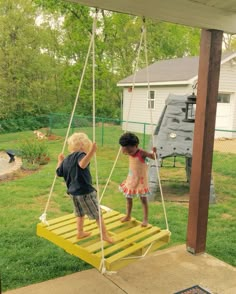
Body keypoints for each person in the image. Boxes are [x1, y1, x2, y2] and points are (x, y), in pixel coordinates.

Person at [56, 132, 113, 243]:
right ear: (82, 145)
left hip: (73, 193)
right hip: (85, 192)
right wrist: (92, 152)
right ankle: (104, 235)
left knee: (80, 213)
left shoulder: (66, 159)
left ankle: (80, 232)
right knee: (97, 213)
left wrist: (60, 161)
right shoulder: (80, 154)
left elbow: (58, 172)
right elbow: (82, 164)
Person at [119, 132, 157, 227]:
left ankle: (145, 219)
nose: (128, 152)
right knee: (128, 198)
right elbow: (124, 150)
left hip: (141, 181)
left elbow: (153, 157)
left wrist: (154, 152)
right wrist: (124, 148)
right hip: (131, 179)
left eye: (130, 151)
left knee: (143, 199)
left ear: (136, 145)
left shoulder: (142, 153)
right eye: (126, 150)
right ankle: (128, 215)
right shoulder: (127, 149)